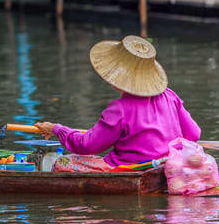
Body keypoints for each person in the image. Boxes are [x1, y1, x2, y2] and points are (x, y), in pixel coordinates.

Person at [34, 35, 201, 172]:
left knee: (61, 162)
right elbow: (194, 134)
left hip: (130, 169)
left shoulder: (119, 109)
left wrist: (57, 129)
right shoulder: (170, 96)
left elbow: (87, 145)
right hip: (167, 166)